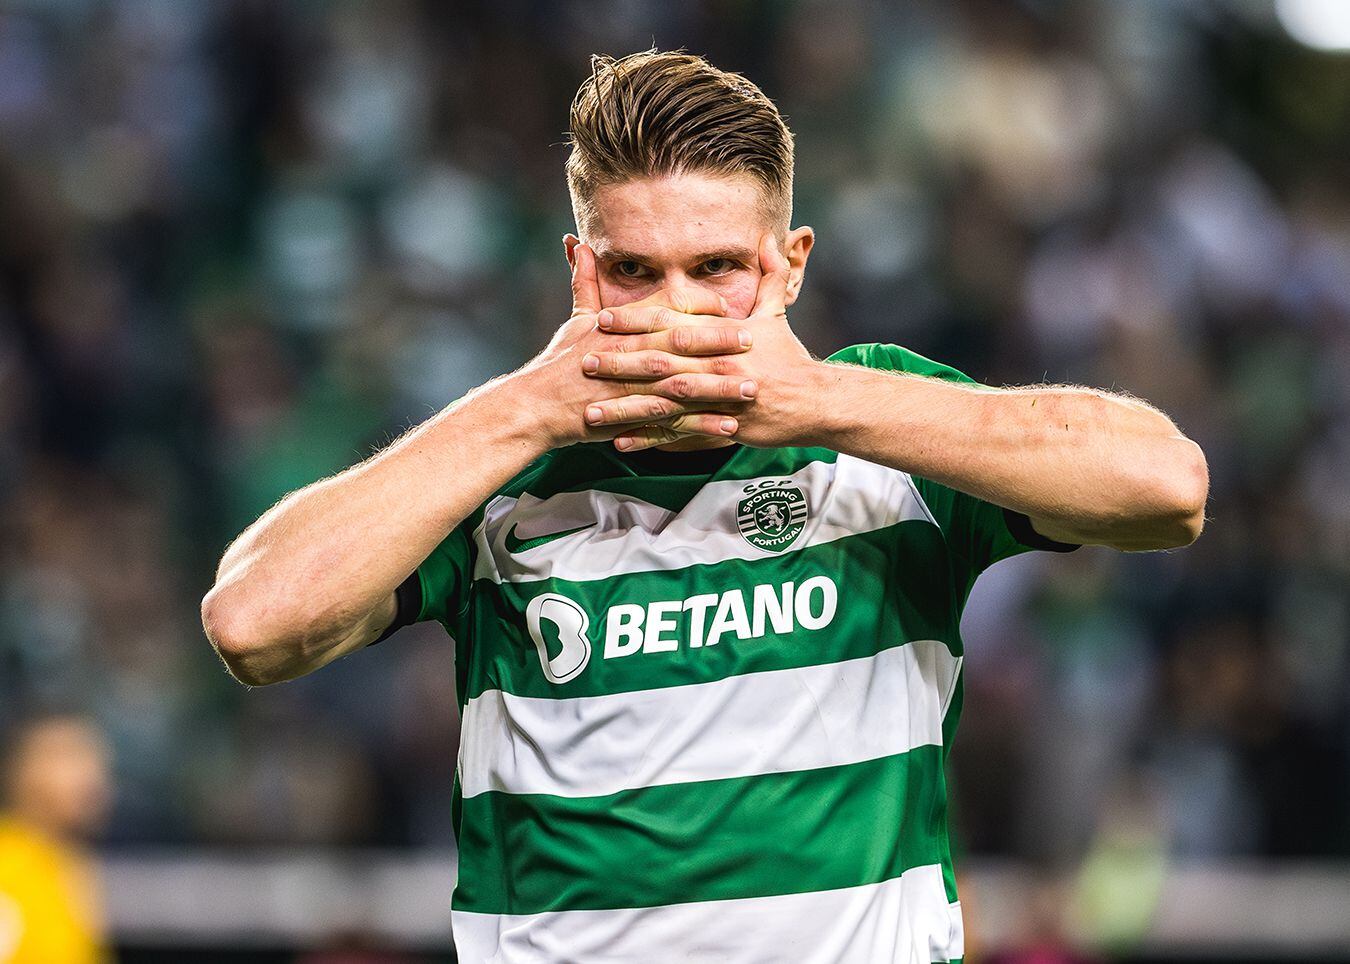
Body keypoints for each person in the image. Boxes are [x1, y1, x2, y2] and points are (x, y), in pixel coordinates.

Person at [201, 50, 1208, 962]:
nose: (675, 309)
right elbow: (253, 623)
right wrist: (525, 408)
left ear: (789, 265)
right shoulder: (497, 472)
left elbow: (1168, 487)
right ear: (579, 271)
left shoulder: (887, 437)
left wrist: (818, 398)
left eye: (717, 268)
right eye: (633, 271)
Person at [0, 714, 113, 964]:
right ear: (20, 771)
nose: (89, 774)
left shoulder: (67, 865)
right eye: (67, 756)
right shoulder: (7, 871)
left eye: (93, 756)